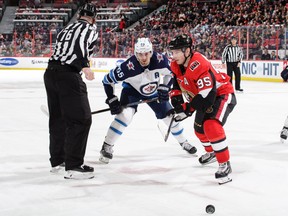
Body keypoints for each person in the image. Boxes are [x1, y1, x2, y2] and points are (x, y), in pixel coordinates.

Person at [99, 37, 197, 164]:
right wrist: (111, 98)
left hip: (153, 91)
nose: (143, 57)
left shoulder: (160, 60)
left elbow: (171, 73)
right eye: (140, 54)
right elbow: (107, 81)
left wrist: (165, 86)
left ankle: (184, 142)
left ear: (151, 52)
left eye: (146, 54)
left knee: (169, 117)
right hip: (131, 91)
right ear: (135, 53)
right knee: (124, 116)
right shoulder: (127, 67)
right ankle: (107, 146)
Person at [168, 34, 237, 185]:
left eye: (176, 52)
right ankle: (211, 152)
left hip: (221, 94)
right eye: (172, 52)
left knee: (210, 125)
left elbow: (207, 97)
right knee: (199, 130)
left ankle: (224, 164)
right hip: (203, 96)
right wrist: (176, 98)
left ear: (187, 51)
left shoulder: (199, 63)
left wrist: (187, 109)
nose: (173, 56)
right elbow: (175, 83)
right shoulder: (176, 64)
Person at [43, 3, 98, 180]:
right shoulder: (89, 28)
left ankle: (58, 161)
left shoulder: (67, 28)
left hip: (50, 73)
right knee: (81, 119)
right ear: (93, 18)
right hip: (68, 75)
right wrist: (85, 66)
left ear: (79, 14)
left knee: (58, 119)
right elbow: (80, 45)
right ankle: (74, 166)